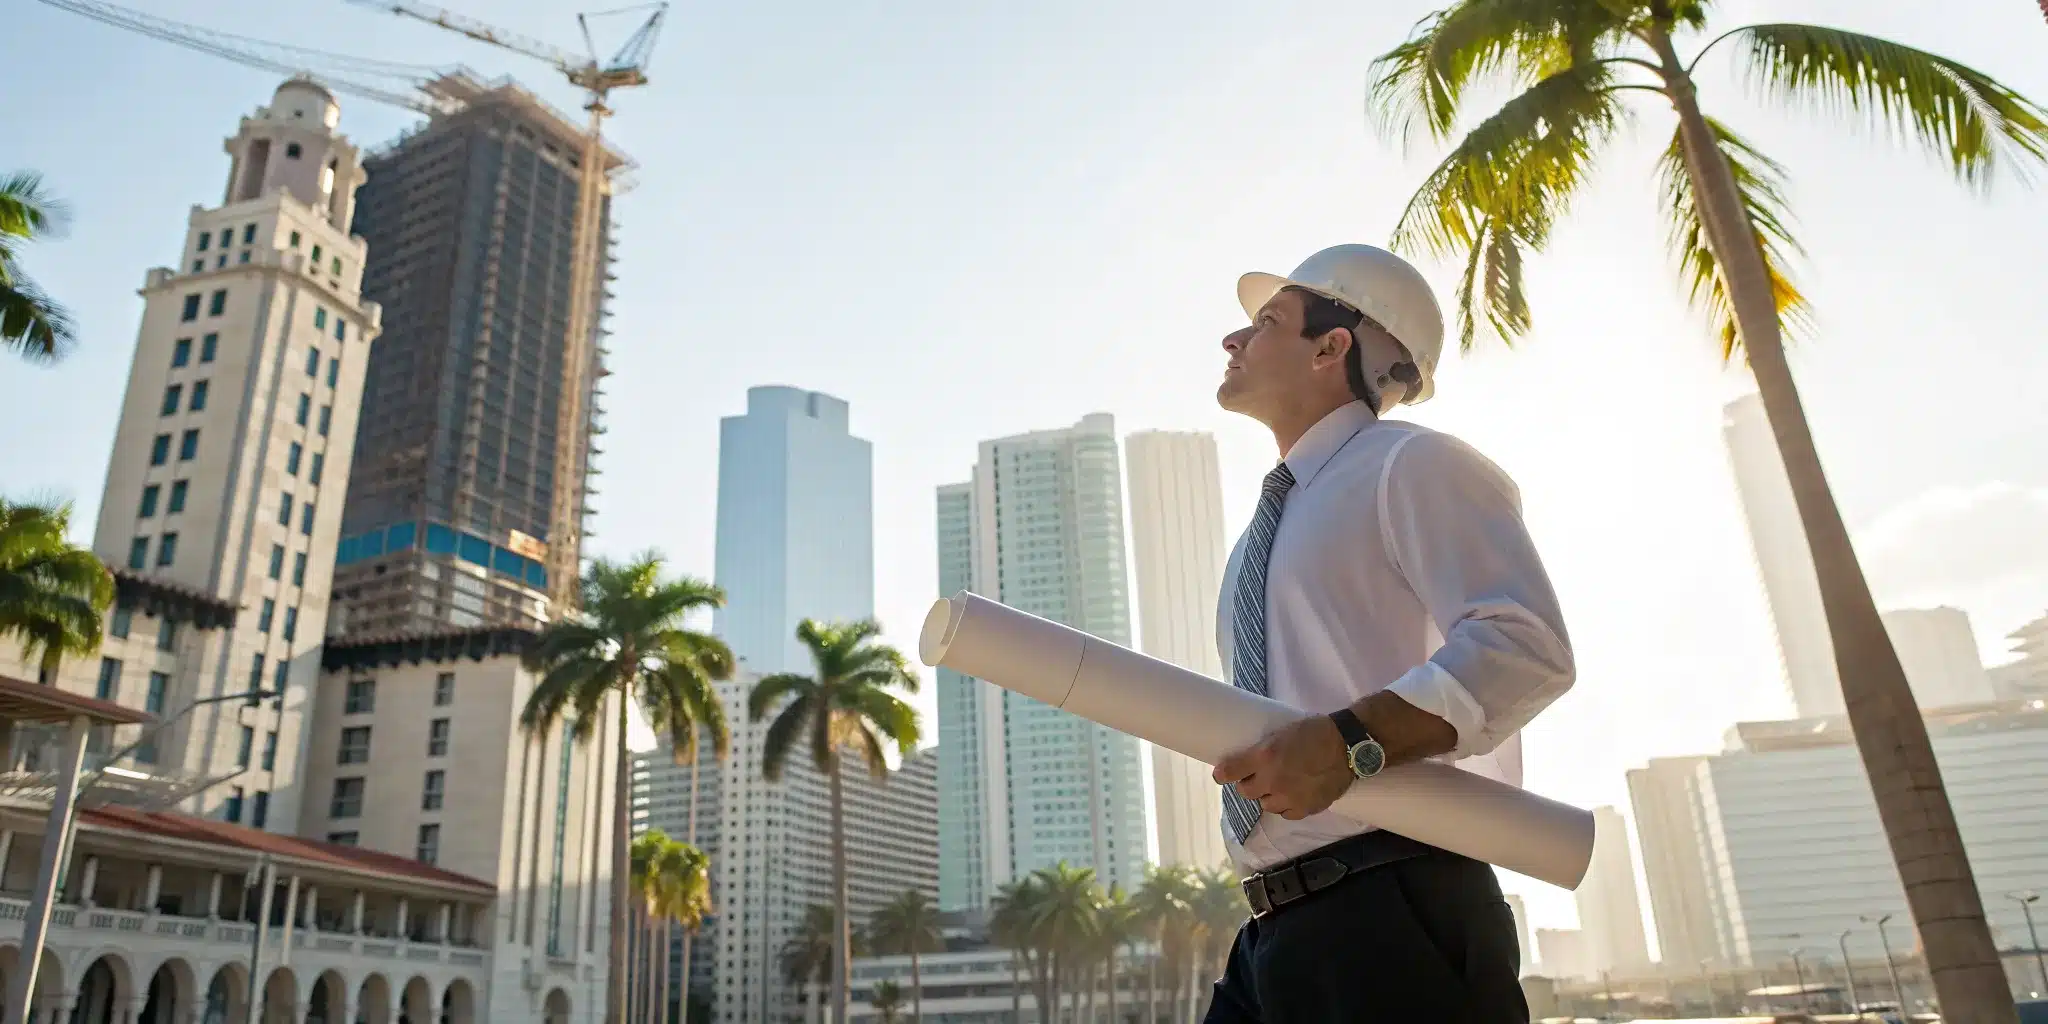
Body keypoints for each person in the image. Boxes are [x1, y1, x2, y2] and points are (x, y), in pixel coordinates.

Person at [1203, 243, 1576, 1022]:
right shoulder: (1259, 536)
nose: (1232, 340)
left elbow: (1523, 645)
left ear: (1332, 347)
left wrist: (1348, 744)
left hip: (1395, 908)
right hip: (1273, 932)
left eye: (1267, 321)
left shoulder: (1412, 464)